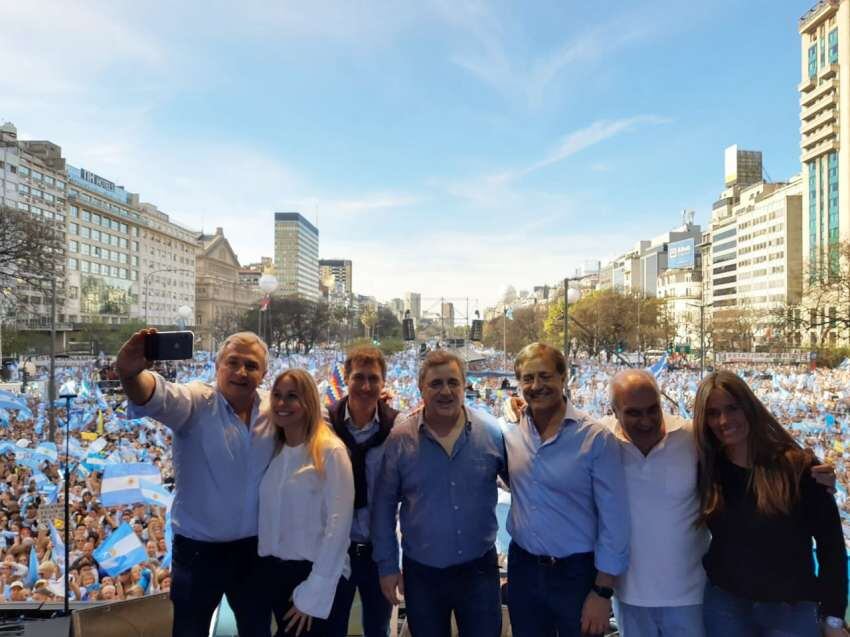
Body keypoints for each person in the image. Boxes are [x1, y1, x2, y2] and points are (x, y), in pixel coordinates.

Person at [117, 328, 275, 637]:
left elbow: (318, 418)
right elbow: (154, 393)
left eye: (251, 365)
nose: (241, 372)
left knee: (257, 630)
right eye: (233, 362)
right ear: (218, 367)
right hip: (198, 553)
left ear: (264, 373)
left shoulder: (275, 408)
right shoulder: (195, 402)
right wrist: (130, 374)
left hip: (255, 552)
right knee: (190, 630)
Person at [693, 370, 848, 637]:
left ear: (750, 408)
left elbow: (830, 545)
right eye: (712, 412)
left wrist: (833, 616)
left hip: (790, 609)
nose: (723, 420)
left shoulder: (799, 468)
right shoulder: (706, 467)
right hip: (725, 604)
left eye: (733, 408)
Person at [372, 350, 507, 637]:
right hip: (423, 574)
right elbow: (383, 508)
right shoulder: (399, 440)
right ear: (421, 389)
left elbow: (523, 486)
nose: (445, 391)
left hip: (479, 571)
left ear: (464, 385)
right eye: (435, 384)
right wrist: (387, 567)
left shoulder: (491, 434)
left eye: (453, 382)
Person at [503, 342, 628, 637]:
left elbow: (615, 523)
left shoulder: (596, 439)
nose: (536, 386)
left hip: (577, 575)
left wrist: (602, 592)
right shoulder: (509, 431)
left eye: (545, 376)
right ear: (519, 384)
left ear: (563, 377)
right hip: (523, 568)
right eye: (528, 378)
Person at [258, 369, 354, 637]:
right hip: (278, 575)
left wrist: (313, 594)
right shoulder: (275, 452)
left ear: (308, 402)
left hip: (317, 578)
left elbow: (339, 528)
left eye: (292, 397)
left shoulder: (330, 451)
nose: (281, 403)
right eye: (276, 395)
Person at [325, 346, 398, 637]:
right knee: (331, 628)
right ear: (346, 377)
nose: (366, 386)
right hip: (335, 549)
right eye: (358, 377)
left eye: (373, 378)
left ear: (383, 382)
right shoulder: (323, 423)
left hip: (376, 552)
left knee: (378, 629)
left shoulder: (398, 428)